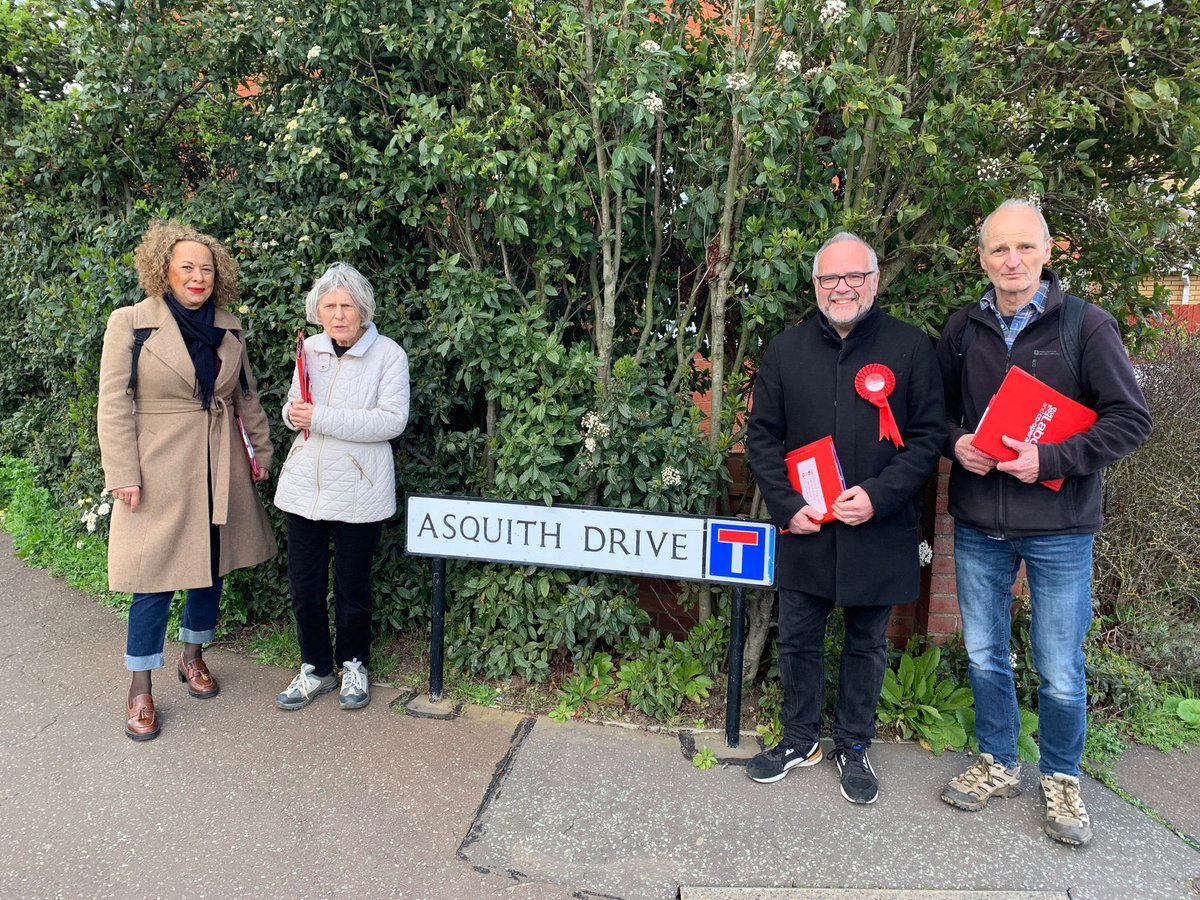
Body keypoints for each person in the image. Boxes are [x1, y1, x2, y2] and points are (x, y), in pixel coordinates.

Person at [936, 199, 1152, 846]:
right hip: (979, 522)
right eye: (999, 249)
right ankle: (999, 762)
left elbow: (1130, 420)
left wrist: (1052, 458)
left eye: (1024, 247)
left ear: (1047, 252)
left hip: (1060, 527)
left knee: (1059, 664)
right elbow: (936, 414)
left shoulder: (1086, 327)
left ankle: (1060, 777)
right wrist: (956, 445)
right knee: (983, 654)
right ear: (982, 258)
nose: (1012, 260)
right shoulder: (961, 329)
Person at [745, 232, 945, 803]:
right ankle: (801, 738)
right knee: (799, 640)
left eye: (854, 276)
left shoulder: (910, 348)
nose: (842, 288)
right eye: (830, 278)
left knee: (867, 643)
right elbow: (762, 438)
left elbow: (929, 437)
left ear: (875, 281)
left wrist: (880, 495)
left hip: (877, 528)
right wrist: (786, 506)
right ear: (815, 285)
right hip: (808, 527)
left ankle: (855, 744)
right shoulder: (785, 350)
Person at [98, 219, 276, 742]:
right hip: (156, 468)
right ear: (165, 272)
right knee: (151, 579)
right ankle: (139, 689)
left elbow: (246, 397)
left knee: (209, 570)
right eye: (187, 268)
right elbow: (113, 404)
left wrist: (259, 453)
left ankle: (192, 658)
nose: (198, 277)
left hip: (218, 463)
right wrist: (123, 473)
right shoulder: (131, 323)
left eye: (207, 268)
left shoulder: (230, 325)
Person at [273, 262, 410, 712]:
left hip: (359, 490)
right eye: (329, 305)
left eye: (346, 305)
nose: (337, 314)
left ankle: (354, 663)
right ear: (319, 309)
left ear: (363, 309)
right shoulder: (308, 349)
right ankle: (316, 668)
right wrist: (290, 415)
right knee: (304, 586)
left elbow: (392, 421)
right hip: (305, 489)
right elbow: (296, 404)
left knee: (352, 588)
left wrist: (321, 418)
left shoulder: (389, 355)